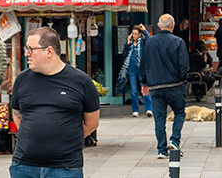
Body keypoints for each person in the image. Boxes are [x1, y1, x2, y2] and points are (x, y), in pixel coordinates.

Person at [10, 27, 100, 177]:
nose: (26, 53)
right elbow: (17, 115)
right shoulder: (22, 79)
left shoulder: (81, 81)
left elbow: (92, 123)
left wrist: (66, 138)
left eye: (30, 49)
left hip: (65, 168)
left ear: (49, 51)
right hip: (24, 166)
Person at [140, 13, 190, 158]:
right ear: (173, 26)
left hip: (156, 86)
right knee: (179, 112)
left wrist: (144, 83)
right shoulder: (178, 41)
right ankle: (174, 140)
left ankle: (161, 149)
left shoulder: (150, 42)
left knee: (159, 119)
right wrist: (182, 78)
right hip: (175, 84)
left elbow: (144, 64)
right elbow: (184, 65)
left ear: (159, 25)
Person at [121, 25, 152, 117]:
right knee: (133, 91)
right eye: (132, 34)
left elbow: (149, 39)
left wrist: (144, 30)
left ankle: (149, 109)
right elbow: (124, 55)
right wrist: (127, 43)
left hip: (141, 70)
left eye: (135, 34)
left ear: (139, 35)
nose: (134, 35)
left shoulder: (142, 42)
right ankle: (135, 110)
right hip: (131, 70)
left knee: (145, 89)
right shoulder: (130, 44)